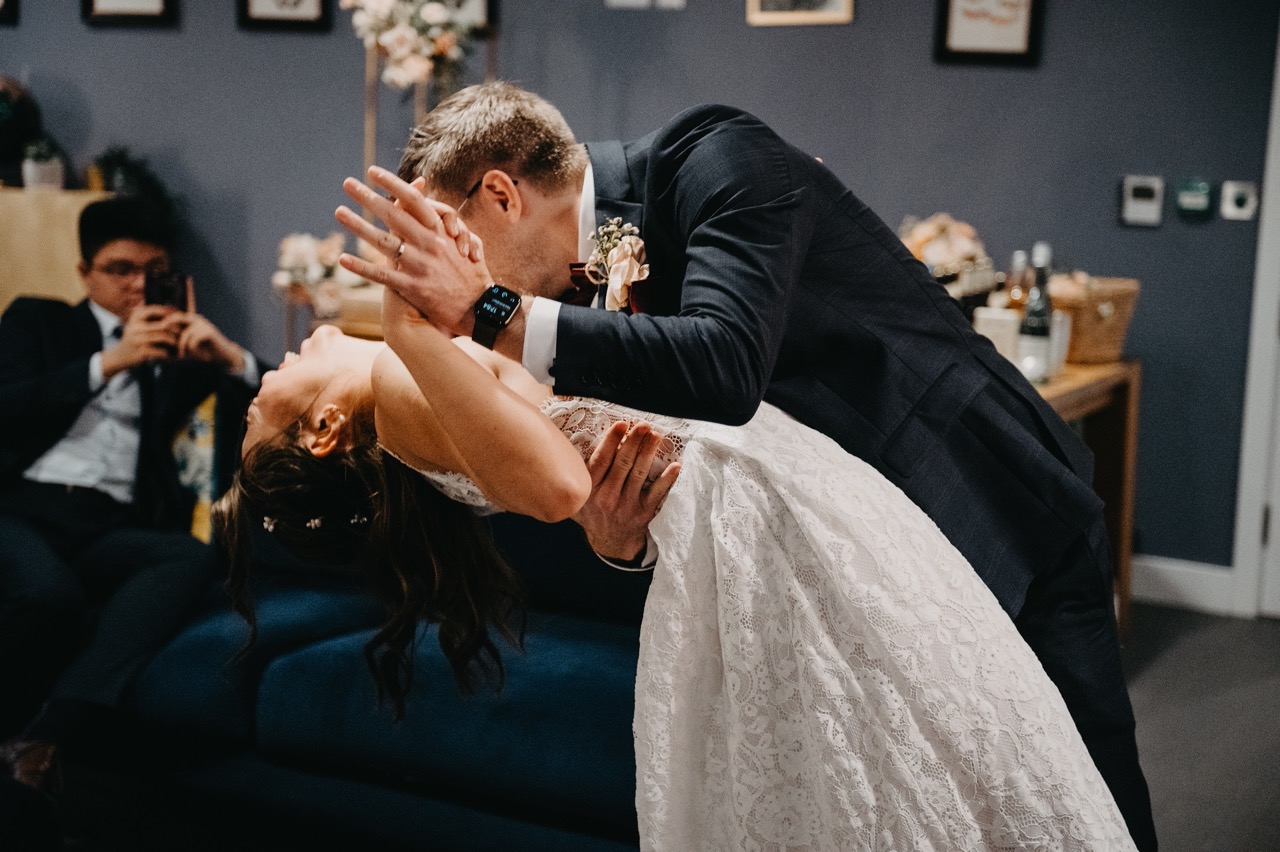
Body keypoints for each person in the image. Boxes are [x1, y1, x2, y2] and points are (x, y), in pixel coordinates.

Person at [332, 81, 1157, 849]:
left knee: (1082, 796)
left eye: (444, 237)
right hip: (879, 569)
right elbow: (699, 451)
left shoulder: (720, 157)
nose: (442, 277)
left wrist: (488, 309)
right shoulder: (565, 296)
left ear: (501, 195)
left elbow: (723, 369)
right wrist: (617, 533)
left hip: (984, 496)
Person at [220, 271, 1138, 848]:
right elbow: (552, 484)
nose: (271, 368)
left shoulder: (414, 410)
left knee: (906, 729)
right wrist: (411, 329)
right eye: (265, 401)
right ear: (325, 431)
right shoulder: (396, 381)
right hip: (753, 511)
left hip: (752, 491)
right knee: (923, 720)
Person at [0, 196, 265, 812]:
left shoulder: (171, 359)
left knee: (187, 558)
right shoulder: (39, 322)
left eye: (154, 270)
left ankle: (43, 741)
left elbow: (281, 400)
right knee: (49, 595)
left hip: (107, 525)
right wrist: (105, 363)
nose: (138, 284)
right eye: (120, 269)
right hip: (23, 507)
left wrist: (230, 357)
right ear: (84, 273)